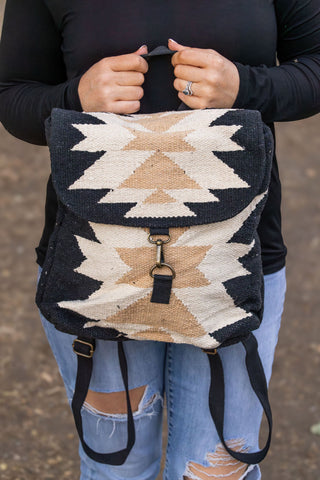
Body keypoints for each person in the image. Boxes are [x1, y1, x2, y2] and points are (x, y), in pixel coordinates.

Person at [0, 1, 319, 479]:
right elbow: (12, 95)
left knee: (213, 472)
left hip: (233, 265)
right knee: (117, 471)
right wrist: (76, 96)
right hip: (98, 270)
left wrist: (244, 87)